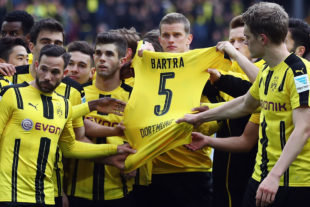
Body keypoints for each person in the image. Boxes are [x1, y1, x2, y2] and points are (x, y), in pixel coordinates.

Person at [177, 2, 310, 207]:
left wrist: (274, 176)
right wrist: (199, 117)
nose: (244, 42)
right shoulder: (267, 71)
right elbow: (246, 104)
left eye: (246, 38)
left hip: (292, 181)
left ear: (262, 39)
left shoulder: (300, 73)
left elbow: (303, 128)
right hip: (261, 176)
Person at [0, 44, 135, 207]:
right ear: (36, 66)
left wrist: (115, 150)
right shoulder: (11, 94)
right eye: (43, 69)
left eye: (55, 72)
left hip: (45, 196)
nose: (47, 76)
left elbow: (70, 147)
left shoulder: (63, 105)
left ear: (64, 74)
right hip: (9, 194)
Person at [66, 32, 135, 207]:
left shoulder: (134, 97)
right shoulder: (76, 93)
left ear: (122, 59)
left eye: (109, 54)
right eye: (98, 53)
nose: (102, 58)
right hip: (76, 190)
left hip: (119, 191)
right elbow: (71, 137)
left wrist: (138, 164)